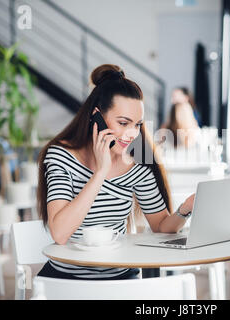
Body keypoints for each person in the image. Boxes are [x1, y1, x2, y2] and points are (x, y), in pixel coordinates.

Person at [36, 64, 195, 280]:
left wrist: (185, 208)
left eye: (137, 124)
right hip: (66, 282)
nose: (132, 134)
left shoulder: (137, 166)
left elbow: (160, 227)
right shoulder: (60, 156)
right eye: (123, 123)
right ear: (97, 116)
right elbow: (60, 233)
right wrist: (101, 172)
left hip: (119, 279)